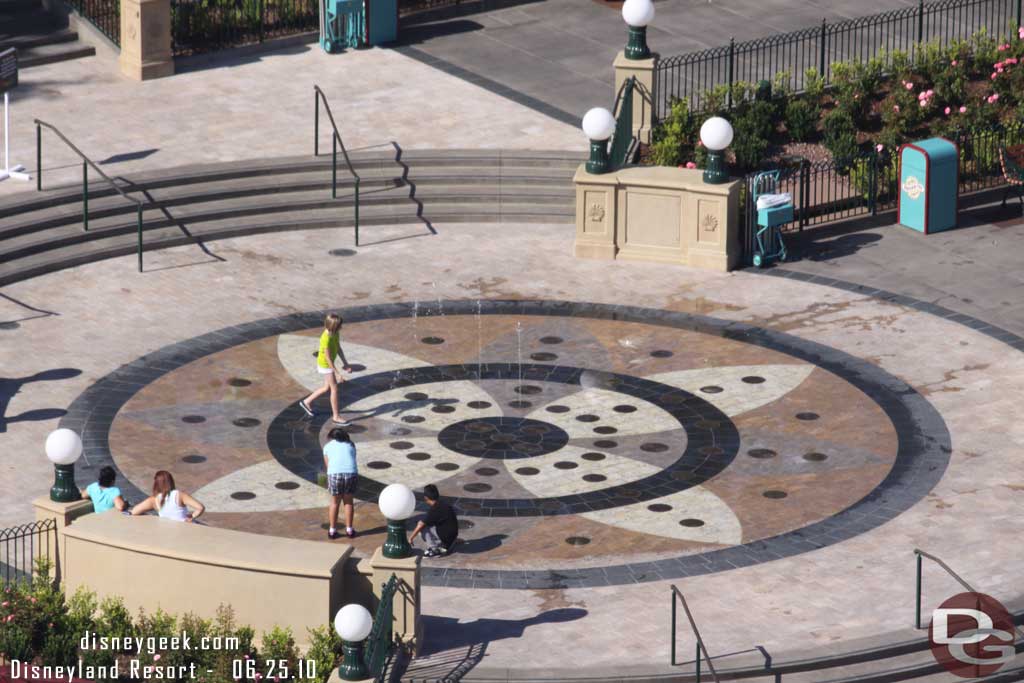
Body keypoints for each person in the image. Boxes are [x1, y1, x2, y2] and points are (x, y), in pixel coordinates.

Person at [298, 313, 352, 426]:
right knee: (334, 389)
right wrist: (337, 374)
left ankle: (306, 402)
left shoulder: (335, 333)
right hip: (325, 365)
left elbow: (338, 348)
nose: (341, 327)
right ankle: (336, 417)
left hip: (328, 364)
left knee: (326, 388)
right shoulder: (325, 338)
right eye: (339, 326)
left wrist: (345, 363)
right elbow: (327, 358)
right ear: (334, 326)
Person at [130, 471, 204, 523]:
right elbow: (200, 508)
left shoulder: (153, 500)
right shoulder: (179, 495)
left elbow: (134, 511)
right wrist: (192, 516)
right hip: (183, 529)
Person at [324, 427, 358, 539]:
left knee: (335, 503)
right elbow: (353, 458)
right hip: (350, 473)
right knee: (348, 502)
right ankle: (349, 530)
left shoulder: (327, 447)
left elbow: (328, 465)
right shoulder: (351, 444)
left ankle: (332, 530)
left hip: (335, 474)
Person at [409, 484, 458, 557]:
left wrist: (411, 538)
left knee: (422, 529)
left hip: (447, 538)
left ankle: (435, 549)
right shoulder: (444, 504)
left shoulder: (434, 510)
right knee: (431, 524)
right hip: (453, 535)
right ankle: (445, 543)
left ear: (426, 498)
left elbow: (420, 525)